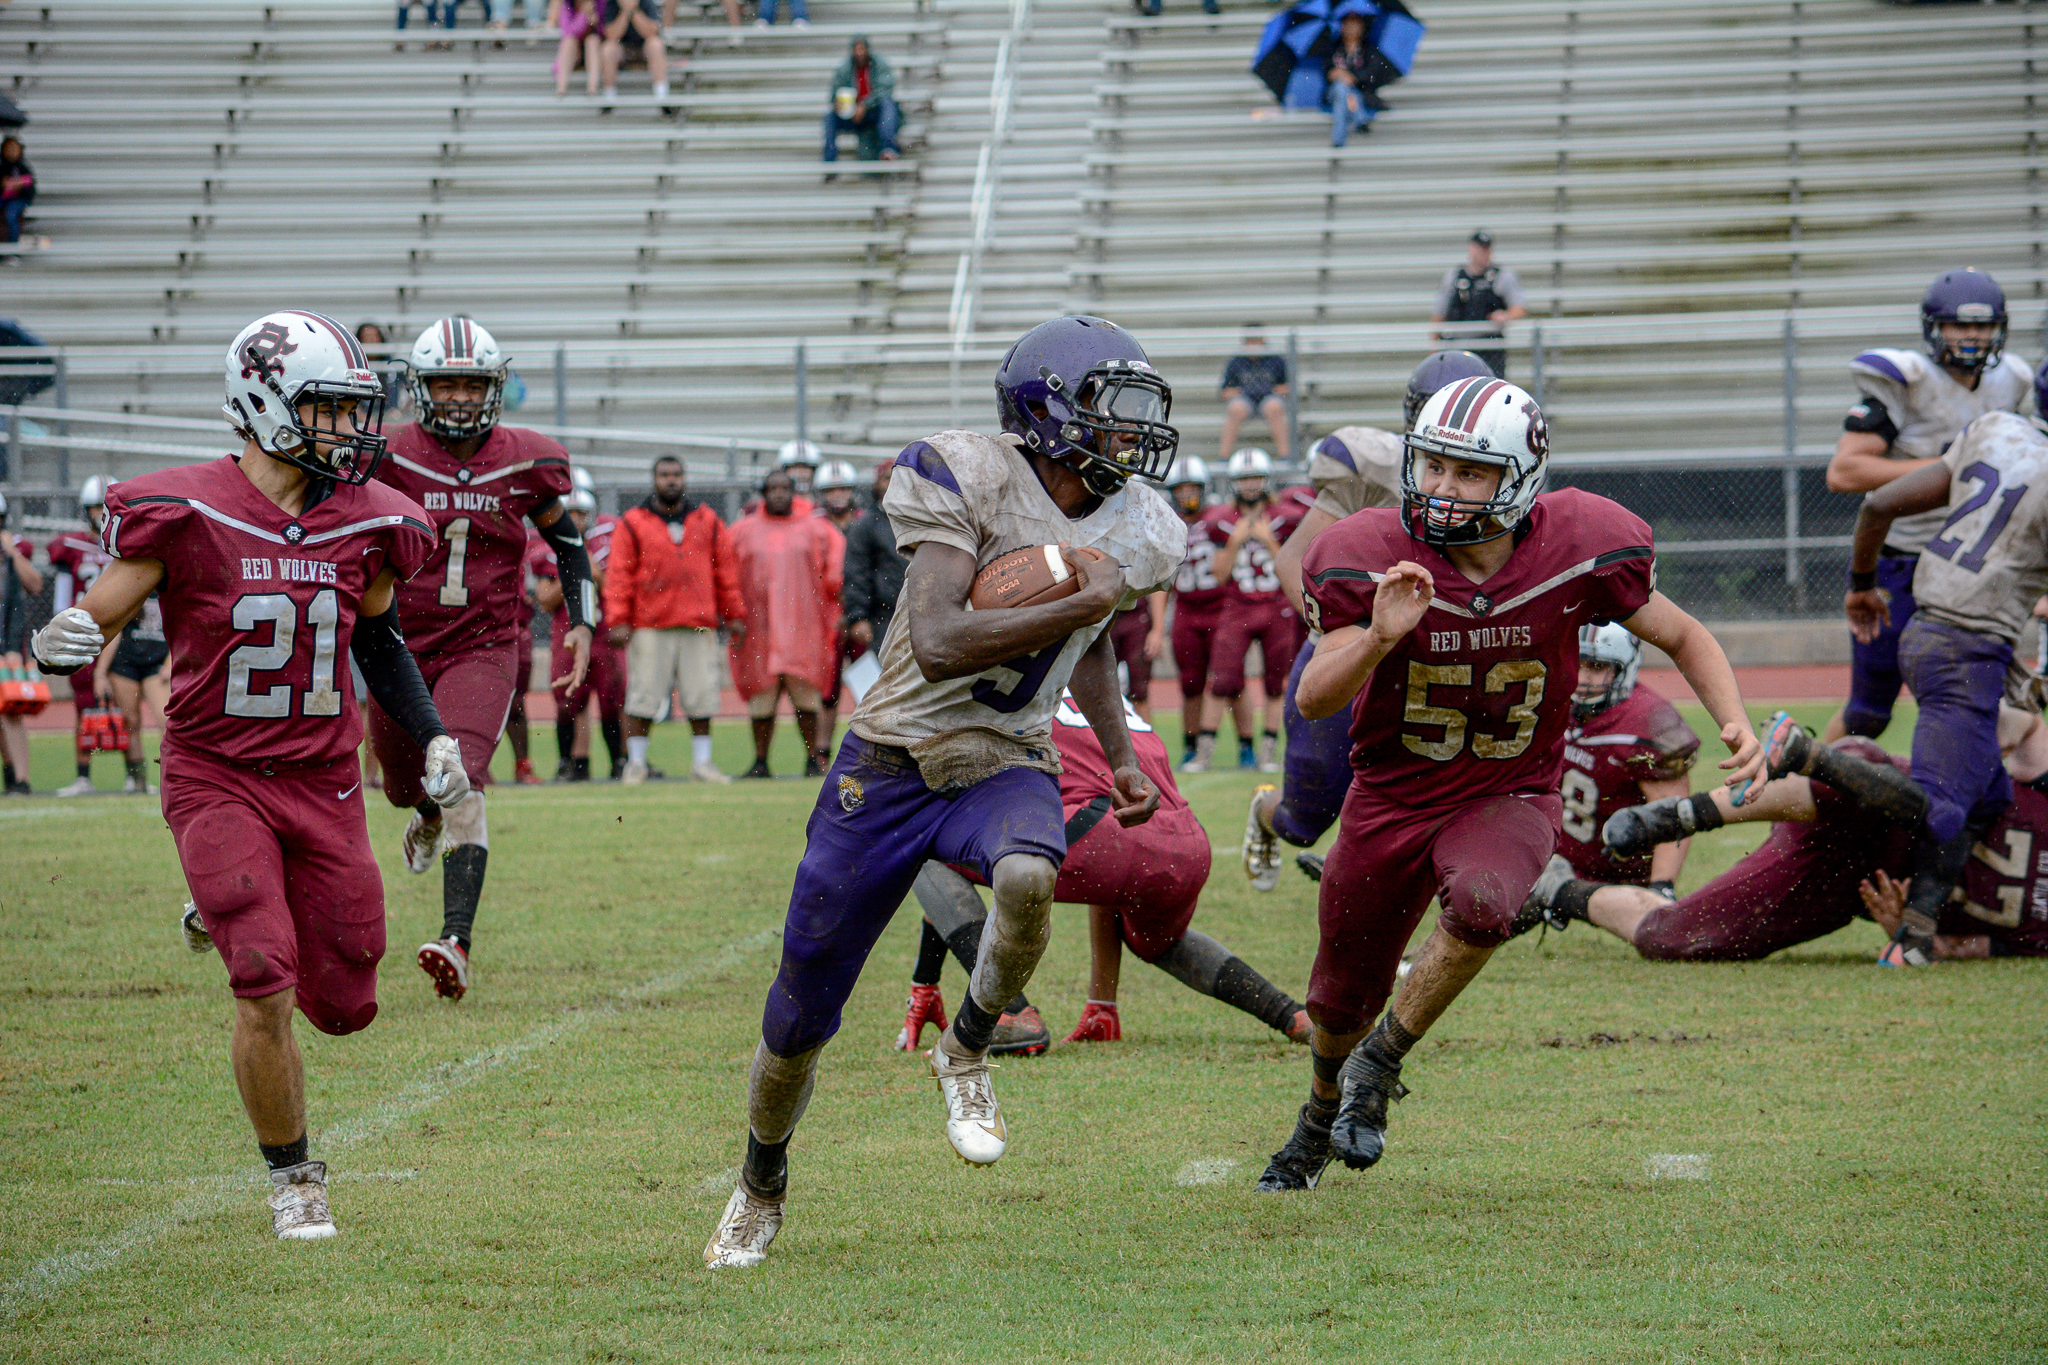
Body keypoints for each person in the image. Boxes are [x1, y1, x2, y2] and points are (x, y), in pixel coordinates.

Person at [702, 315, 1185, 1271]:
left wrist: (1120, 754)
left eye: (1136, 416)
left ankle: (965, 1046)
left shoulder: (1138, 523)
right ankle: (761, 1180)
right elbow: (937, 639)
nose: (1129, 436)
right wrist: (1080, 601)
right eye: (1109, 412)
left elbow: (1086, 650)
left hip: (1006, 753)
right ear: (1046, 412)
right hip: (889, 758)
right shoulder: (965, 471)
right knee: (797, 1017)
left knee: (1029, 877)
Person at [1254, 374, 1765, 1193]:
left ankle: (1381, 1067)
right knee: (1337, 1002)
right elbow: (1317, 696)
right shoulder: (1369, 549)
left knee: (1488, 899)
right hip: (1389, 795)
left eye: (1470, 473)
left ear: (1522, 477)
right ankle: (1319, 1114)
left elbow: (1681, 631)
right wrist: (1378, 638)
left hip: (1510, 789)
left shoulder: (1582, 541)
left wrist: (1733, 717)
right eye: (1433, 466)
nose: (1444, 489)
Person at [28, 310, 462, 1240]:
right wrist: (64, 638)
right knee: (262, 975)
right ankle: (295, 1176)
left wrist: (427, 735)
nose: (351, 433)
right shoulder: (186, 507)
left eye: (354, 413)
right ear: (263, 403)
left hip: (324, 780)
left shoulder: (373, 518)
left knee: (346, 1003)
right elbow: (99, 611)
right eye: (329, 411)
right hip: (215, 771)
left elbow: (379, 636)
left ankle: (225, 902)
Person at [372, 316, 593, 1003]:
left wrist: (582, 621)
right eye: (448, 383)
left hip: (485, 641)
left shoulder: (526, 457)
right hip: (397, 641)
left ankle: (456, 941)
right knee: (405, 787)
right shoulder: (388, 452)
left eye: (473, 384)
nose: (462, 397)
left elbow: (570, 545)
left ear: (495, 388)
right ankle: (428, 817)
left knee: (461, 772)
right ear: (421, 387)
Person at [897, 690, 1310, 1052]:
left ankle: (1012, 1014)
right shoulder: (1098, 689)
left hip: (1107, 834)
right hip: (1185, 838)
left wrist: (925, 980)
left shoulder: (1006, 687)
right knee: (1162, 942)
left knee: (928, 848)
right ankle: (1290, 1015)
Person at [1246, 351, 1495, 889]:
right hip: (1353, 653)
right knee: (1303, 822)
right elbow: (1293, 561)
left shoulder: (1505, 477)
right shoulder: (1375, 464)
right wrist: (1346, 633)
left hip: (1441, 662)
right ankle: (1265, 812)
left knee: (1444, 808)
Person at [1537, 713, 2048, 962]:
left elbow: (1961, 948)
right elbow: (2020, 724)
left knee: (1675, 941)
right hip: (1870, 791)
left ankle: (1559, 889)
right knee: (1863, 786)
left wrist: (1910, 927)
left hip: (1850, 883)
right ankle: (1685, 814)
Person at [1833, 388, 2048, 965]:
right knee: (1940, 806)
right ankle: (1805, 757)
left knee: (1987, 797)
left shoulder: (1997, 430)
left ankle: (1916, 939)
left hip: (1929, 631)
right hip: (1965, 652)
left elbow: (1876, 506)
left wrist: (1860, 585)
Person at [1819, 268, 2032, 745]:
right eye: (1960, 325)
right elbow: (1844, 472)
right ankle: (1789, 791)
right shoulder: (1909, 381)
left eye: (1984, 326)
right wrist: (1949, 468)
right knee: (1870, 712)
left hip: (1973, 564)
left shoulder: (2012, 380)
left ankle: (1981, 804)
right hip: (1902, 563)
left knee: (1989, 704)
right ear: (1934, 328)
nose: (1974, 337)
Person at [605, 454, 744, 784]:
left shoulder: (707, 520)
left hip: (697, 623)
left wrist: (734, 612)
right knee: (643, 697)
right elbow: (619, 574)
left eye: (677, 474)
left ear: (685, 478)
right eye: (665, 474)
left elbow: (725, 571)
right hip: (650, 623)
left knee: (701, 698)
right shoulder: (633, 522)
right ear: (653, 479)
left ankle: (702, 764)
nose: (671, 480)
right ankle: (636, 764)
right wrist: (618, 618)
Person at [1549, 622, 1699, 893]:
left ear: (1624, 668)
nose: (1582, 677)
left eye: (1596, 667)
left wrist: (1661, 886)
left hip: (1622, 877)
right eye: (1577, 663)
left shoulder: (1646, 722)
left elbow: (1672, 814)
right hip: (1554, 864)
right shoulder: (1551, 705)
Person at [729, 469, 844, 779]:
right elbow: (726, 575)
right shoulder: (742, 531)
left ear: (793, 492)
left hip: (803, 627)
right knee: (761, 701)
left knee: (806, 698)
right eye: (772, 488)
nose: (778, 493)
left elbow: (835, 577)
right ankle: (761, 761)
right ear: (763, 492)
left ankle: (812, 759)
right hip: (757, 629)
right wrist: (732, 614)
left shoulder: (818, 530)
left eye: (784, 488)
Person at [1198, 447, 1302, 774]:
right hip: (1237, 606)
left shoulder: (1288, 517)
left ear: (1266, 479)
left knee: (1275, 682)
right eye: (1244, 479)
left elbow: (1294, 567)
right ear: (1233, 483)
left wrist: (1269, 542)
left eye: (1255, 478)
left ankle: (1268, 753)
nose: (1250, 485)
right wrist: (1234, 542)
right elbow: (1218, 575)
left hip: (1276, 606)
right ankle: (1203, 754)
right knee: (1221, 680)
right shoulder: (1221, 522)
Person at [531, 488, 626, 780]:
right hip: (569, 634)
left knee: (614, 700)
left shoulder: (609, 541)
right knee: (569, 699)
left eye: (581, 513)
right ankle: (571, 762)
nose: (575, 519)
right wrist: (578, 570)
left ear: (592, 515)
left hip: (605, 632)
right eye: (569, 513)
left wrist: (596, 573)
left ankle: (619, 761)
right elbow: (545, 600)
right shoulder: (549, 547)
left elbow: (621, 585)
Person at [51, 478, 118, 797]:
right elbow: (62, 600)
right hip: (83, 633)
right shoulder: (74, 547)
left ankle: (134, 775)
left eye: (105, 508)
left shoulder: (127, 545)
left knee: (125, 709)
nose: (100, 515)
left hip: (120, 635)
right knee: (83, 707)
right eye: (95, 509)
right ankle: (83, 776)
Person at [812, 459, 864, 758]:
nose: (838, 495)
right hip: (826, 617)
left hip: (860, 616)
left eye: (843, 488)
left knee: (868, 688)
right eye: (832, 489)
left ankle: (868, 750)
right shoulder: (813, 525)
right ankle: (821, 752)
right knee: (826, 691)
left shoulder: (865, 522)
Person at [1431, 232, 1528, 379]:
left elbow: (1520, 307)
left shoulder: (1501, 277)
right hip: (1458, 347)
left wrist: (1505, 315)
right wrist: (1435, 349)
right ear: (1471, 249)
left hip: (1489, 349)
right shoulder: (1454, 277)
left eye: (1487, 249)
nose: (1484, 253)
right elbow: (1439, 314)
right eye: (1480, 248)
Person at [839, 457, 905, 661]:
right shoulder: (866, 525)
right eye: (887, 478)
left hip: (919, 618)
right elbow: (856, 573)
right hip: (882, 620)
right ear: (877, 484)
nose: (893, 483)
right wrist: (858, 617)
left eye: (900, 478)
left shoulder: (922, 521)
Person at [0, 492, 38, 793]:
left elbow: (35, 585)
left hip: (8, 645)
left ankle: (20, 781)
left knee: (11, 710)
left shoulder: (11, 556)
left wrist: (10, 551)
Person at [823, 36, 900, 163]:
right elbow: (834, 93)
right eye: (856, 49)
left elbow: (886, 90)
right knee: (829, 118)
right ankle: (829, 161)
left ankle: (888, 148)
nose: (859, 52)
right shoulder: (844, 69)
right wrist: (838, 104)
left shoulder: (879, 64)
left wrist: (864, 105)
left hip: (874, 111)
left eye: (862, 48)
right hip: (852, 114)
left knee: (888, 105)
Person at [1217, 326, 1290, 462]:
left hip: (1268, 399)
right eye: (1250, 341)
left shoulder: (1275, 360)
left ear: (1263, 341)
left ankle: (1285, 456)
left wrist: (1268, 390)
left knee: (1274, 407)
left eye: (1256, 340)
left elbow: (1288, 387)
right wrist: (1244, 391)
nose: (1254, 345)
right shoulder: (1237, 361)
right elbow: (1225, 392)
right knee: (1235, 409)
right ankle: (1224, 457)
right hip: (1246, 400)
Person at [599, 0, 672, 102]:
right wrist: (625, 12)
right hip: (622, 49)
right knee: (608, 48)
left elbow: (651, 31)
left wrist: (633, 11)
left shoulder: (646, 2)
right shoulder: (611, 4)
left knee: (655, 44)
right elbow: (611, 35)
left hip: (644, 48)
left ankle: (662, 95)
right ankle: (608, 96)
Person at [1325, 11, 1379, 149]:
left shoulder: (1368, 49)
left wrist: (1352, 77)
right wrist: (1339, 75)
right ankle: (1359, 118)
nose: (1351, 29)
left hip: (1358, 92)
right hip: (1335, 92)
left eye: (1354, 25)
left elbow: (1371, 73)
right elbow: (1326, 71)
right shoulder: (1334, 48)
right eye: (1347, 25)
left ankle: (1338, 142)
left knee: (1342, 96)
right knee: (1340, 88)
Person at [549, 0, 602, 97]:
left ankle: (592, 88)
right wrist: (584, 15)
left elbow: (603, 31)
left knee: (592, 40)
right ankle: (561, 88)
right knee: (569, 41)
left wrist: (594, 20)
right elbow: (569, 32)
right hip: (574, 50)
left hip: (595, 50)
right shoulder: (567, 5)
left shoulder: (599, 3)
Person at [2, 135, 37, 251]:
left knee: (11, 216)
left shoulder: (23, 168)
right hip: (3, 198)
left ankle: (13, 248)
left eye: (14, 149)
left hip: (18, 200)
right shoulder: (2, 168)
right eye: (8, 149)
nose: (11, 152)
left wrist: (20, 186)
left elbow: (31, 190)